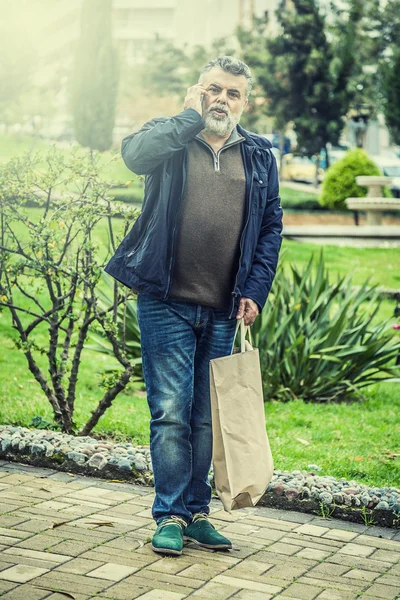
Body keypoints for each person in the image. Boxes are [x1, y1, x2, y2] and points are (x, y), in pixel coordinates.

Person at [105, 56, 283, 556]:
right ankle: (169, 514)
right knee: (169, 413)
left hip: (223, 308)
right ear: (197, 91)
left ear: (245, 102)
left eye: (232, 93)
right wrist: (187, 117)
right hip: (166, 301)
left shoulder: (260, 156)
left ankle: (197, 513)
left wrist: (254, 288)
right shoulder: (171, 136)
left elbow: (270, 227)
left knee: (206, 417)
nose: (221, 100)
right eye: (213, 90)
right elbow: (134, 157)